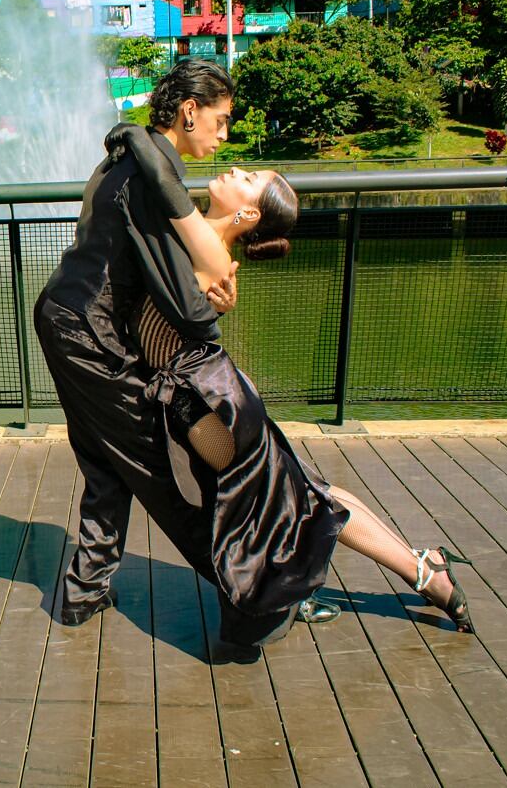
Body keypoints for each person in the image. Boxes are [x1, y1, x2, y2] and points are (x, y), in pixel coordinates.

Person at [109, 119, 474, 635]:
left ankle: (405, 572)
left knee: (286, 497)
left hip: (203, 398)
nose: (235, 168)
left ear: (248, 212)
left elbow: (163, 187)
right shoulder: (200, 244)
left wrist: (132, 132)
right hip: (212, 391)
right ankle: (419, 568)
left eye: (248, 175)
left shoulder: (205, 246)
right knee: (296, 492)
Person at [35, 59, 340, 651]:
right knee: (153, 469)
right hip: (88, 335)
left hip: (67, 318)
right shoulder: (152, 172)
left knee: (104, 459)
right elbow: (184, 303)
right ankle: (261, 587)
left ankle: (84, 590)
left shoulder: (136, 155)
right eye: (221, 122)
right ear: (189, 110)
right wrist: (212, 303)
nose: (225, 138)